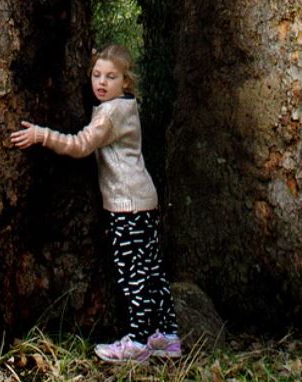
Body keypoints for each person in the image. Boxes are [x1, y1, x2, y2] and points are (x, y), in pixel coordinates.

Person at [10, 44, 181, 363]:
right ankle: (167, 337)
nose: (101, 82)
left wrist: (41, 135)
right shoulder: (124, 106)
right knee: (152, 271)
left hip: (127, 205)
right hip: (143, 199)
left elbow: (80, 145)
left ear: (125, 82)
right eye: (96, 74)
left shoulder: (111, 113)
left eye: (111, 77)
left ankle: (140, 341)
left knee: (134, 274)